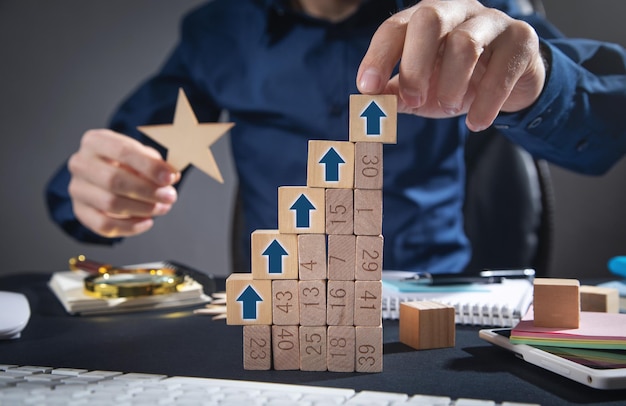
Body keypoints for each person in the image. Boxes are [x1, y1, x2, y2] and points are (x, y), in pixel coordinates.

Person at [46, 0, 626, 275]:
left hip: (430, 295)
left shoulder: (472, 11)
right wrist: (102, 189)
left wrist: (537, 82)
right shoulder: (218, 30)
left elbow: (608, 126)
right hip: (277, 300)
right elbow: (118, 164)